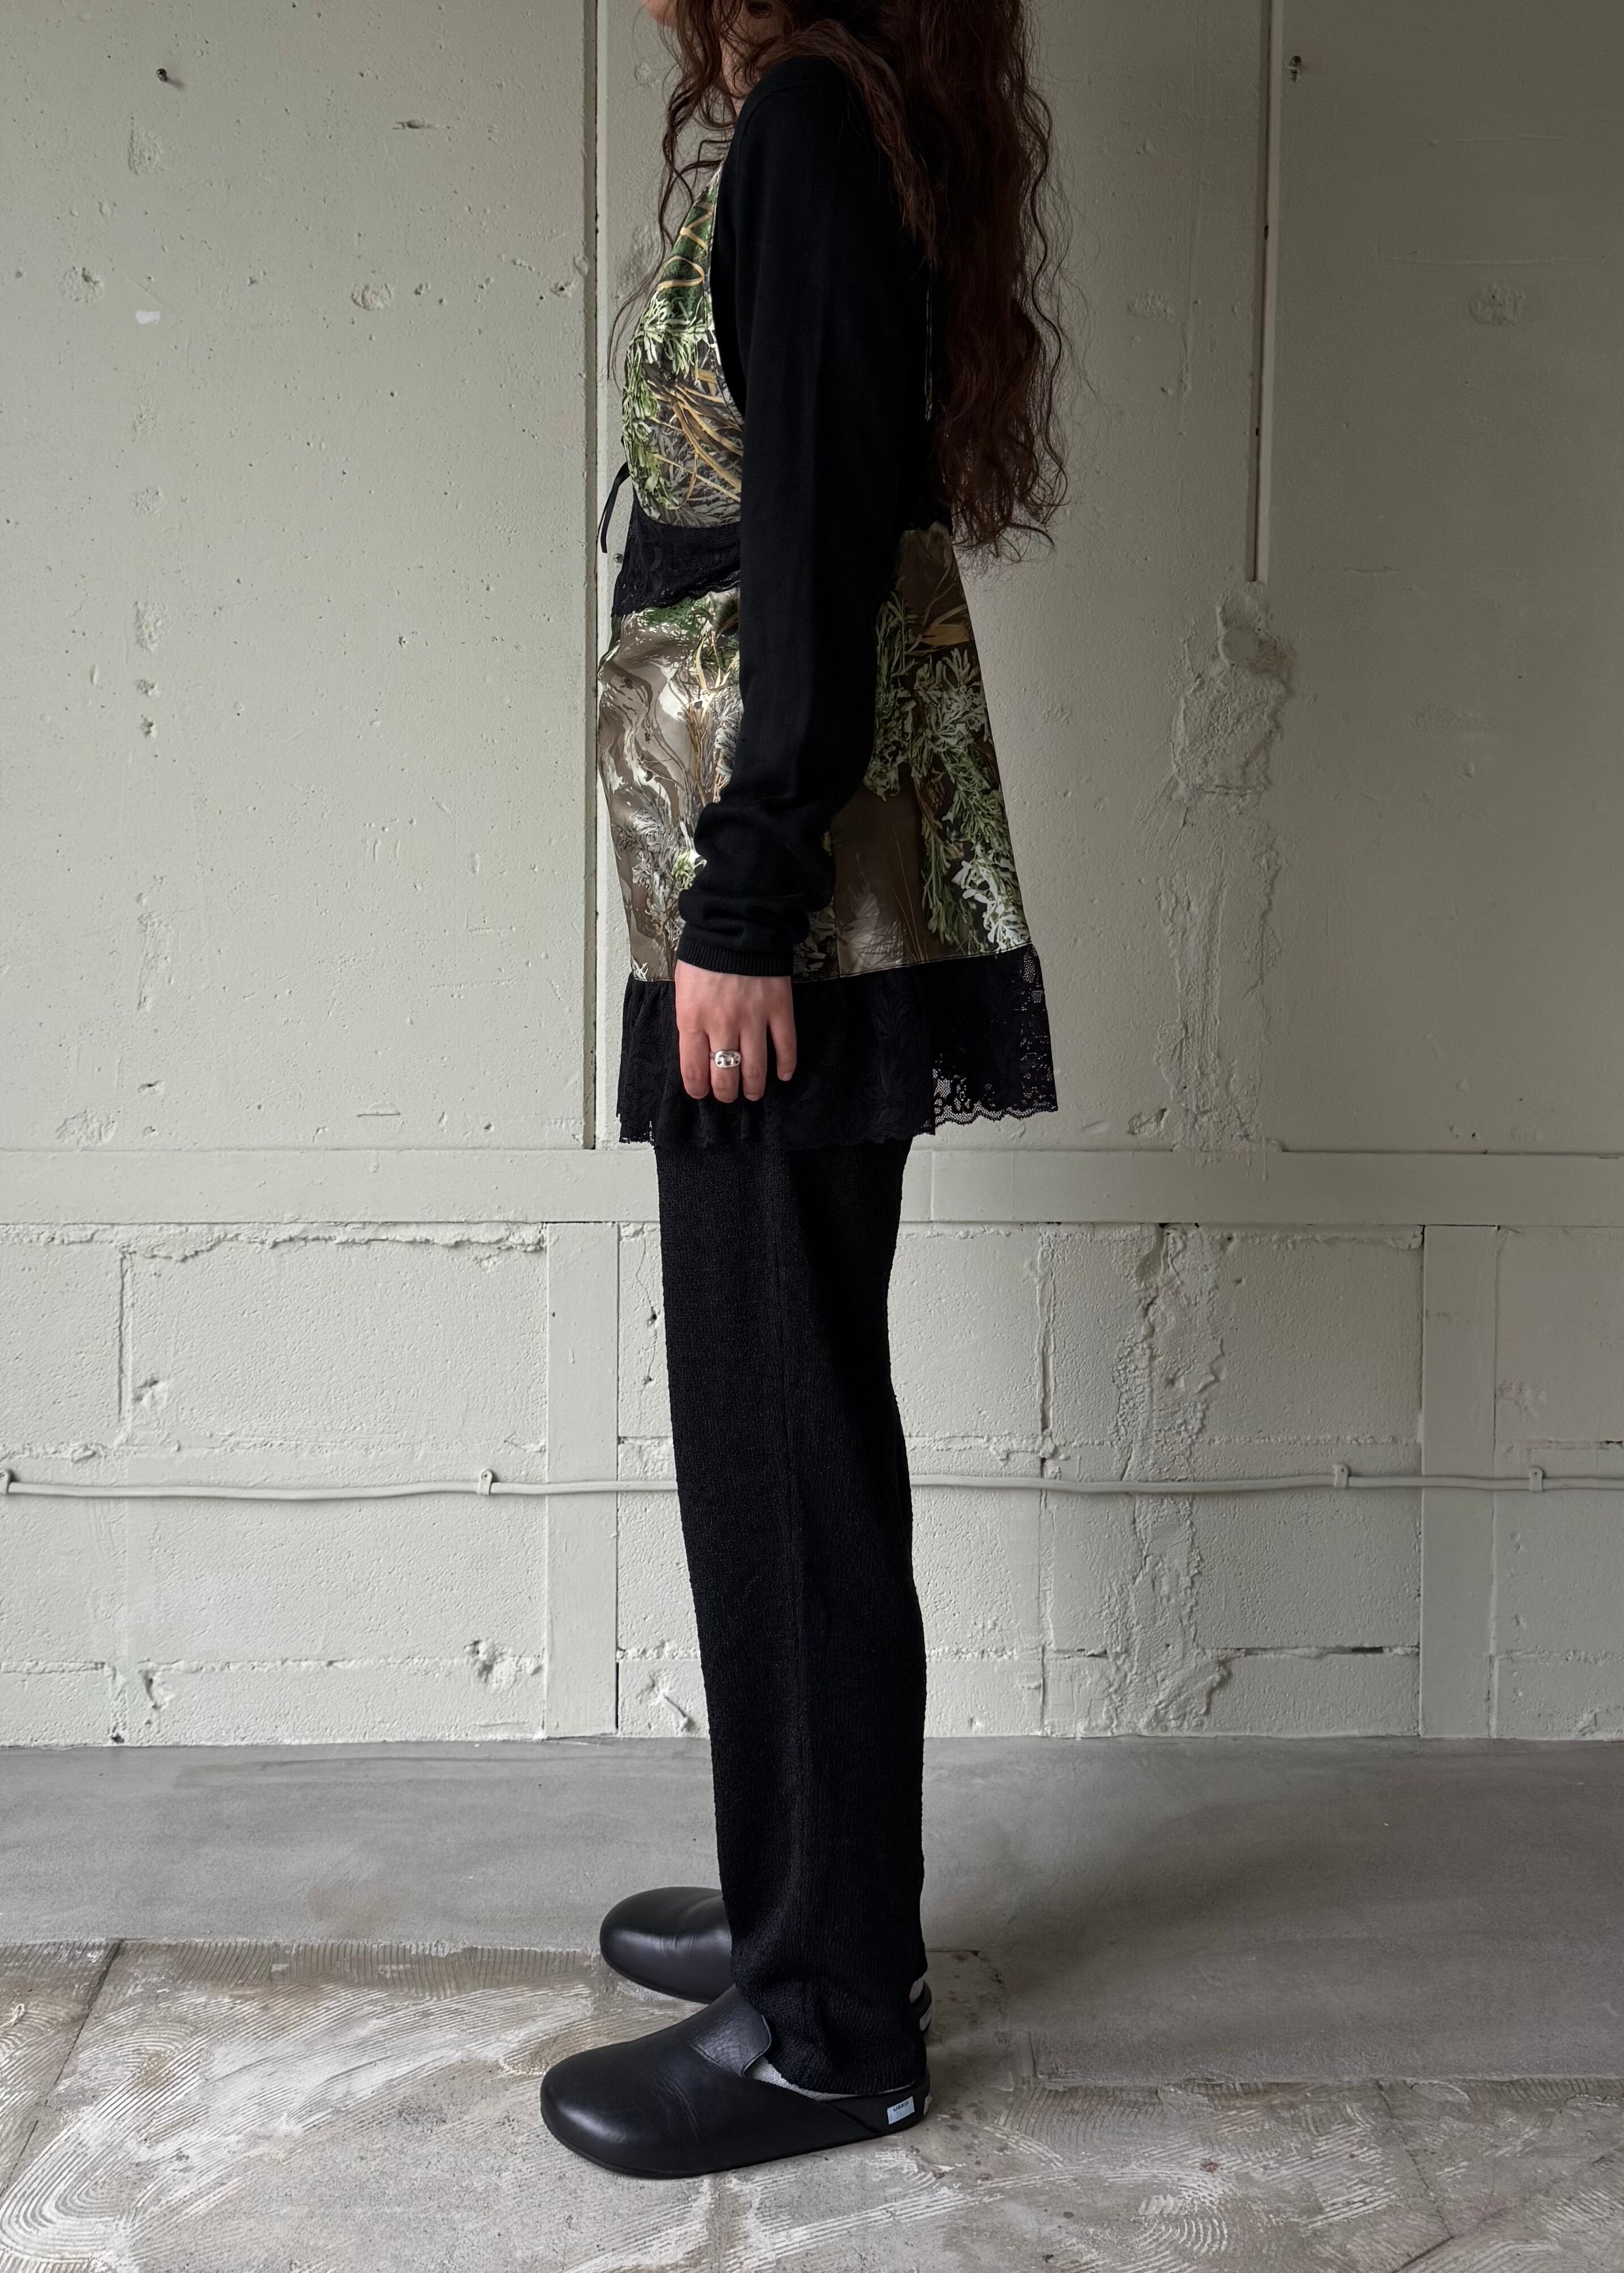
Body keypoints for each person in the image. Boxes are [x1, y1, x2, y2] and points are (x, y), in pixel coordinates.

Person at [541, 0, 1068, 2180]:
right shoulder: (823, 125)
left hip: (788, 917)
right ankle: (802, 1900)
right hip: (761, 898)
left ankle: (832, 2022)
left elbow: (817, 552)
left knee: (787, 1450)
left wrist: (745, 906)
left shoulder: (814, 137)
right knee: (770, 1429)